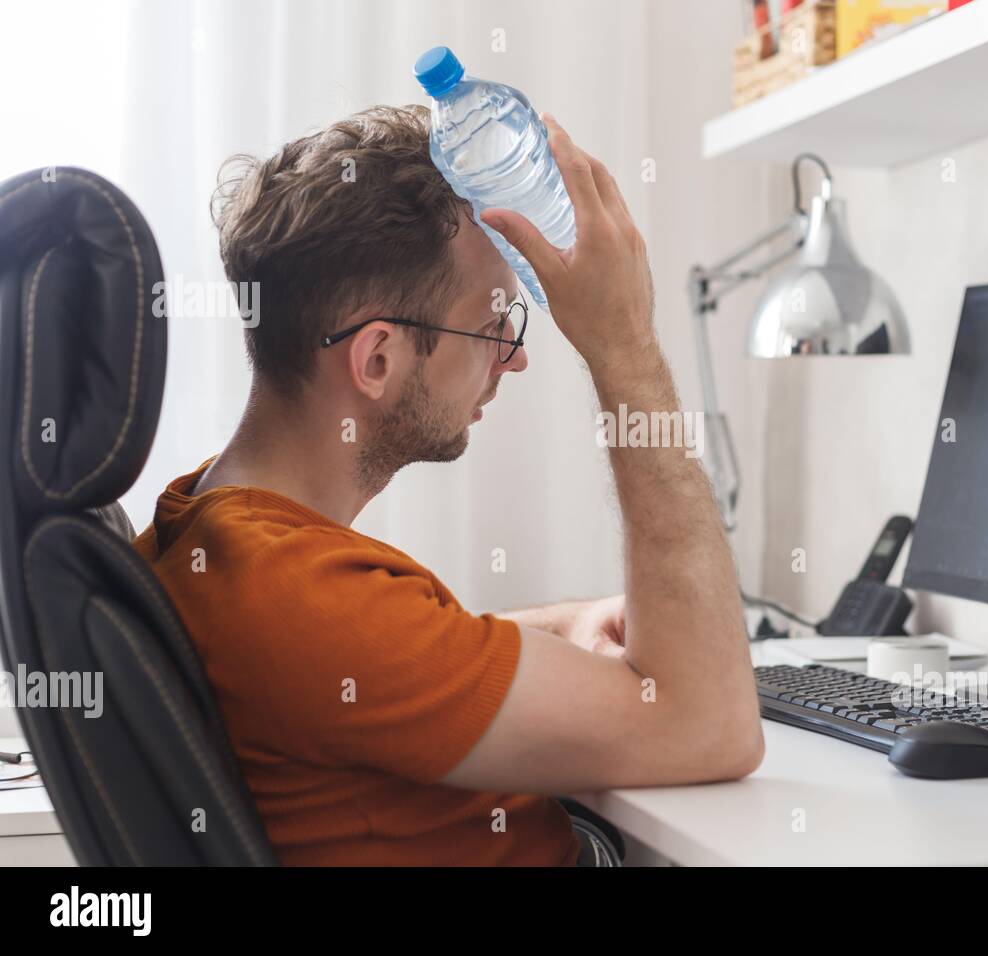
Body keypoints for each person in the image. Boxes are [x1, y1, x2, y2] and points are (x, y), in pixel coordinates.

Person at [132, 105, 763, 866]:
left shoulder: (203, 525)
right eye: (496, 325)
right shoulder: (308, 602)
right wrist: (622, 348)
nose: (515, 359)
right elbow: (711, 727)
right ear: (376, 360)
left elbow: (394, 648)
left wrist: (569, 624)